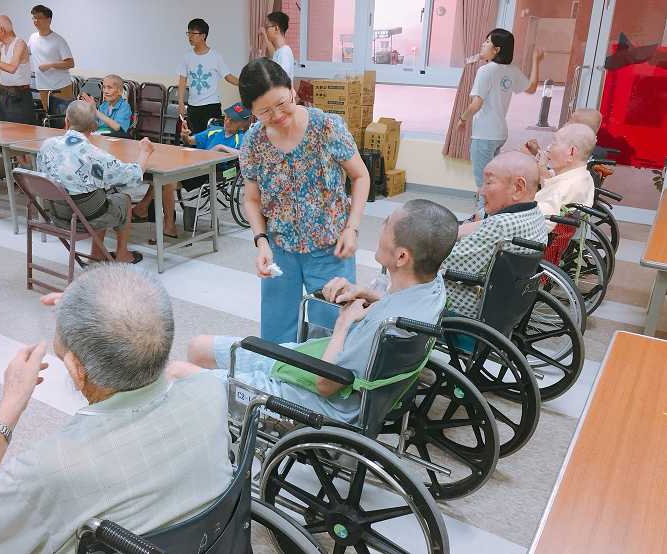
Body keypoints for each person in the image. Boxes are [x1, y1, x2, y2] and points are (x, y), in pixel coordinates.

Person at [0, 264, 233, 553]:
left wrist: (10, 405)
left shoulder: (53, 469)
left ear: (76, 368)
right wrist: (104, 320)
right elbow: (174, 369)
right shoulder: (211, 392)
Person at [169, 200, 457, 423]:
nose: (380, 225)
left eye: (386, 225)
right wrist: (367, 294)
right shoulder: (431, 291)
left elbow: (325, 384)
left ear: (402, 256)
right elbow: (393, 307)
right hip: (309, 363)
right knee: (198, 347)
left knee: (177, 372)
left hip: (310, 397)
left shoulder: (381, 328)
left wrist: (343, 324)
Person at [237, 58, 370, 343]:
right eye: (264, 111)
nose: (277, 115)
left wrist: (352, 228)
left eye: (282, 103)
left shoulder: (326, 127)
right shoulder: (253, 142)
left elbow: (361, 177)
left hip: (329, 248)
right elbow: (251, 199)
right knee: (276, 330)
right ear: (251, 112)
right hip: (279, 248)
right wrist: (261, 242)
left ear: (292, 89)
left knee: (333, 331)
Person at [36, 100, 151, 264]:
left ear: (66, 121)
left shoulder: (47, 145)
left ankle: (97, 255)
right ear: (94, 127)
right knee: (121, 199)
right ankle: (122, 254)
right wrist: (144, 153)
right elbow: (132, 177)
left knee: (98, 195)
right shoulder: (96, 155)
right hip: (84, 218)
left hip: (56, 213)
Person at [447, 151, 548, 318]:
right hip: (504, 306)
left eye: (489, 182)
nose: (481, 190)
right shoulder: (535, 215)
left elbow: (445, 263)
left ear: (518, 188)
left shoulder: (500, 226)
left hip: (463, 311)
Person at [132, 101, 252, 239]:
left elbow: (245, 155)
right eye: (227, 116)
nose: (227, 121)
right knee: (162, 177)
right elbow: (190, 141)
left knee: (166, 182)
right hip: (196, 165)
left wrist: (221, 147)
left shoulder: (242, 138)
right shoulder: (214, 130)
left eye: (233, 120)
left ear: (242, 124)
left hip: (213, 172)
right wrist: (185, 135)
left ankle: (158, 218)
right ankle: (149, 212)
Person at [457, 29, 543, 214]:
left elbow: (476, 104)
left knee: (484, 186)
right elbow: (532, 88)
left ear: (496, 49)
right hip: (499, 134)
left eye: (487, 42)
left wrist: (462, 119)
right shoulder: (511, 71)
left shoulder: (485, 71)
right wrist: (537, 61)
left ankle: (481, 226)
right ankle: (493, 218)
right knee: (495, 182)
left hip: (483, 135)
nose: (483, 45)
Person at [178, 18, 240, 134]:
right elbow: (182, 80)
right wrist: (181, 102)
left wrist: (245, 83)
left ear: (203, 36)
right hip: (193, 106)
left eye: (193, 33)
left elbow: (228, 76)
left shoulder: (216, 56)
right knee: (194, 140)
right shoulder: (187, 57)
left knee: (210, 140)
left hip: (211, 106)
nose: (190, 37)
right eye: (188, 33)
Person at [534, 123, 596, 231]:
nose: (548, 148)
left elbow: (540, 222)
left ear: (571, 152)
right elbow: (550, 184)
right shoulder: (583, 176)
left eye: (554, 143)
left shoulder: (564, 187)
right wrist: (542, 166)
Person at [28, 4, 75, 111]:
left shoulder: (58, 40)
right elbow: (26, 54)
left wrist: (50, 65)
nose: (36, 20)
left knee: (62, 120)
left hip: (61, 87)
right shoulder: (33, 38)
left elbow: (70, 63)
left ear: (48, 20)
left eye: (39, 17)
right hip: (43, 87)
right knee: (48, 118)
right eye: (34, 18)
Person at [261, 11, 294, 81]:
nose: (266, 31)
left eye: (267, 27)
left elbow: (280, 81)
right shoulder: (279, 51)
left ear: (276, 28)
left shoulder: (283, 53)